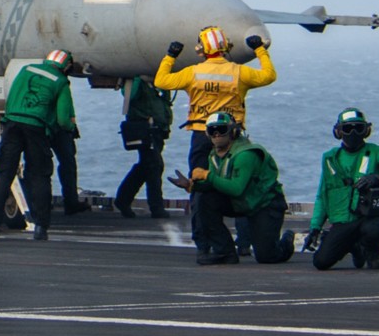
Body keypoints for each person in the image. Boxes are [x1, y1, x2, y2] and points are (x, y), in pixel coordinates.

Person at [154, 26, 277, 255]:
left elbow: (161, 81)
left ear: (201, 49)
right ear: (226, 47)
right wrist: (259, 49)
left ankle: (204, 243)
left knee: (199, 188)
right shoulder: (239, 72)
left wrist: (171, 55)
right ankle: (243, 243)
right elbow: (269, 75)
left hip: (202, 135)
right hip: (233, 138)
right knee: (239, 189)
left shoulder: (193, 73)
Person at [167, 113, 294, 265]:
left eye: (221, 130)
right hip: (242, 202)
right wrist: (192, 185)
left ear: (233, 132)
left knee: (266, 256)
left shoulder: (245, 155)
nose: (216, 135)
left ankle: (287, 240)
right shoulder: (214, 155)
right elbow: (216, 184)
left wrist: (208, 176)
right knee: (204, 199)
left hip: (264, 205)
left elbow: (236, 188)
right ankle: (224, 252)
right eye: (211, 130)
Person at [0, 50, 76, 240]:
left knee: (4, 173)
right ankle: (41, 227)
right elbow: (63, 118)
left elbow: (11, 96)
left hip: (12, 125)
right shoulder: (61, 81)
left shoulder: (27, 69)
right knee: (39, 176)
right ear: (66, 67)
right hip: (36, 129)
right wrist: (70, 126)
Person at [306, 108, 379, 270]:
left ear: (366, 131)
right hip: (343, 221)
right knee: (321, 262)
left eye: (358, 128)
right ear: (339, 132)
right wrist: (315, 227)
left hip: (368, 217)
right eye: (347, 128)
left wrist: (378, 178)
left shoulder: (377, 152)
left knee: (373, 229)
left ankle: (372, 252)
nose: (353, 133)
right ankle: (354, 247)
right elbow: (322, 195)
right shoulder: (330, 159)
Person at [112, 75, 175, 218]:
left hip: (157, 130)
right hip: (145, 130)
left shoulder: (155, 85)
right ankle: (156, 207)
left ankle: (123, 199)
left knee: (146, 166)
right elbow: (130, 94)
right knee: (154, 166)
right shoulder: (137, 83)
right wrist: (138, 77)